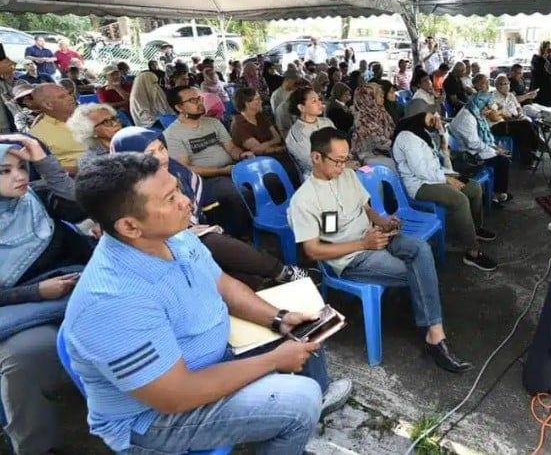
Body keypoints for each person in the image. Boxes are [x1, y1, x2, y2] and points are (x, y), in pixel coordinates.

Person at [64, 153, 351, 454]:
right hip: (154, 418)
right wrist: (273, 360)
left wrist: (278, 317)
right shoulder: (113, 301)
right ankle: (294, 420)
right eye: (170, 198)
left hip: (210, 362)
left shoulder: (175, 237)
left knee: (308, 329)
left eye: (178, 189)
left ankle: (293, 422)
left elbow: (223, 284)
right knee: (300, 401)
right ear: (130, 227)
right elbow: (174, 396)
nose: (185, 201)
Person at [290, 127, 473, 372]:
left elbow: (366, 209)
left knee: (420, 249)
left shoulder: (347, 176)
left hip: (374, 237)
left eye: (346, 159)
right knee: (417, 271)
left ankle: (431, 327)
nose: (343, 166)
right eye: (338, 160)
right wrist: (363, 245)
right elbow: (312, 251)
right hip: (351, 257)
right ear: (316, 157)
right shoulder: (304, 200)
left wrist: (384, 223)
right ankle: (435, 336)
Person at [111, 127, 307, 289]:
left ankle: (269, 283)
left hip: (184, 233)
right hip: (156, 250)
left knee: (215, 253)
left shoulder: (174, 171)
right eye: (150, 154)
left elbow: (189, 202)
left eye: (162, 148)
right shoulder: (124, 192)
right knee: (208, 242)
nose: (161, 157)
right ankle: (281, 273)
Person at [0, 134, 93, 455]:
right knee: (21, 361)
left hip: (79, 292)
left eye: (22, 167)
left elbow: (80, 205)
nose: (20, 176)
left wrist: (42, 158)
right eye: (4, 170)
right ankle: (34, 447)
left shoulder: (37, 199)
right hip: (26, 314)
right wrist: (38, 291)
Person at [393, 113, 498, 271]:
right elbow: (421, 171)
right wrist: (447, 179)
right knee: (459, 200)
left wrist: (441, 131)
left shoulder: (422, 133)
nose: (434, 121)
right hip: (420, 185)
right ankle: (472, 252)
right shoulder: (406, 137)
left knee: (474, 187)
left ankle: (474, 229)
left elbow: (443, 151)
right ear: (417, 116)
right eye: (430, 118)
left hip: (436, 176)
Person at [163, 86, 254, 238]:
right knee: (238, 192)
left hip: (231, 168)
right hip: (205, 179)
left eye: (200, 98)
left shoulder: (213, 123)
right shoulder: (172, 134)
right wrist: (221, 171)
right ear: (179, 107)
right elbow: (186, 169)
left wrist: (242, 155)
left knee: (269, 179)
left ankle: (264, 222)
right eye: (193, 100)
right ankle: (243, 235)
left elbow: (231, 148)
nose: (200, 102)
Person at [449, 91, 513, 205]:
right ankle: (498, 195)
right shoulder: (467, 118)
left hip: (473, 149)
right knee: (503, 161)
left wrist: (493, 147)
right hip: (468, 155)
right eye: (487, 108)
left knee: (503, 155)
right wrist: (495, 151)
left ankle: (495, 193)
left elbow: (482, 137)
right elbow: (474, 143)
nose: (488, 111)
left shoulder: (473, 111)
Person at [230, 87, 300, 184]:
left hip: (274, 153)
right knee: (291, 169)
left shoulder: (259, 115)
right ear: (247, 103)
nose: (261, 101)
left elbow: (277, 138)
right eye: (257, 99)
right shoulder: (239, 124)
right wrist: (276, 147)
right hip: (258, 161)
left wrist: (267, 145)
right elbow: (257, 150)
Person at [491, 73, 548, 167]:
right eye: (502, 84)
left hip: (515, 121)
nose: (506, 86)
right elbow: (496, 115)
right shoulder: (492, 97)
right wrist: (513, 118)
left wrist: (520, 114)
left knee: (529, 126)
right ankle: (538, 146)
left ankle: (529, 156)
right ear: (496, 85)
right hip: (500, 124)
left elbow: (518, 107)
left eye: (507, 83)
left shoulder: (510, 95)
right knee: (525, 125)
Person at [29, 83, 86, 173]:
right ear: (48, 105)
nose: (71, 98)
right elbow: (49, 171)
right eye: (62, 97)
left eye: (69, 94)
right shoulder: (37, 135)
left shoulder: (90, 117)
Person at [285, 86, 336, 178]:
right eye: (314, 101)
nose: (320, 103)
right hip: (316, 177)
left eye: (319, 99)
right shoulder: (297, 134)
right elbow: (312, 162)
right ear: (302, 107)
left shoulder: (326, 122)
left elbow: (338, 144)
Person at [351, 84, 396, 169]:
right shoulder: (362, 118)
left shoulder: (382, 112)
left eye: (382, 94)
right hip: (368, 155)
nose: (383, 96)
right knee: (396, 165)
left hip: (386, 151)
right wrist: (399, 145)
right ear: (368, 98)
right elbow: (379, 142)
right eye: (379, 94)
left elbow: (393, 131)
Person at [530, 41, 551, 107]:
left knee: (550, 107)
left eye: (549, 47)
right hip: (540, 86)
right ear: (542, 48)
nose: (548, 49)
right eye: (547, 47)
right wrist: (544, 57)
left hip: (549, 87)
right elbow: (538, 69)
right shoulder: (536, 58)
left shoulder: (550, 58)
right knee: (539, 107)